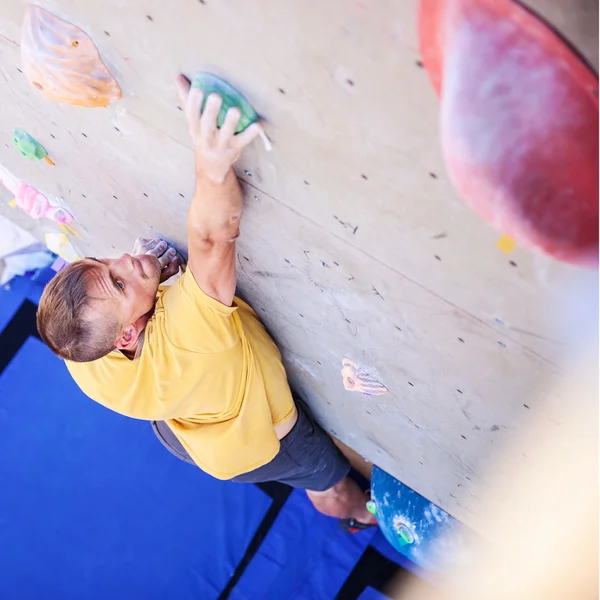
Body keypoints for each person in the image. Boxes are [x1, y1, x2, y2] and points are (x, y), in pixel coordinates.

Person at [36, 73, 376, 530]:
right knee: (329, 481)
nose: (127, 260)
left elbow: (104, 293)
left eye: (107, 264)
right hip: (256, 445)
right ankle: (358, 517)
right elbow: (213, 237)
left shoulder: (76, 344)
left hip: (181, 428)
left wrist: (139, 286)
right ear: (129, 334)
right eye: (120, 284)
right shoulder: (185, 338)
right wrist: (210, 162)